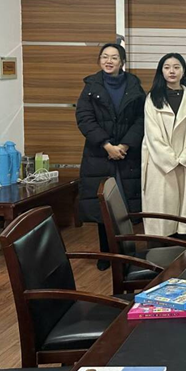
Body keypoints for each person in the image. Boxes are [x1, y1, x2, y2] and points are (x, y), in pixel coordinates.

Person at [76, 43, 145, 270]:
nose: (109, 61)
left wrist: (124, 145)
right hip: (99, 154)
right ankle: (106, 253)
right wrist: (107, 145)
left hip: (127, 153)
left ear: (122, 62)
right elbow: (85, 119)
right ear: (99, 60)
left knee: (125, 203)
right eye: (105, 57)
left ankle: (126, 251)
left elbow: (141, 119)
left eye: (114, 57)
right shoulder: (91, 87)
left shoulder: (134, 85)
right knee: (102, 203)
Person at [142, 53, 186, 239]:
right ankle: (161, 248)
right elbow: (152, 135)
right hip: (160, 163)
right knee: (162, 208)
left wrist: (184, 157)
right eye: (167, 67)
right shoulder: (153, 98)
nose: (172, 71)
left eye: (176, 67)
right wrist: (170, 159)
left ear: (183, 71)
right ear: (161, 71)